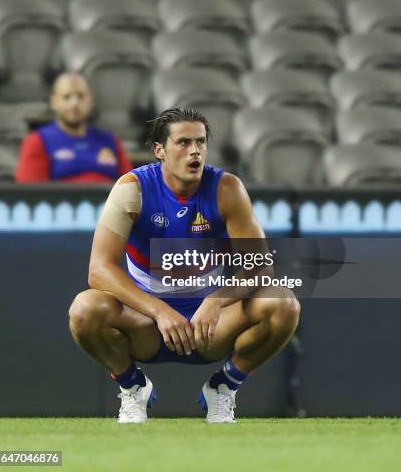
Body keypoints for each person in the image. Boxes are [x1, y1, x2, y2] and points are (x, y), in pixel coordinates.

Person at [68, 107, 300, 423]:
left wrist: (214, 301)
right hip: (147, 326)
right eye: (183, 142)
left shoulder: (226, 189)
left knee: (282, 303)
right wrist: (160, 311)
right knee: (84, 310)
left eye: (201, 142)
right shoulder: (131, 189)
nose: (195, 151)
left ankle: (224, 388)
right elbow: (99, 270)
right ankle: (133, 387)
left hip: (209, 328)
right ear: (159, 150)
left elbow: (260, 267)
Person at [15, 72, 132, 183]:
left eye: (81, 96)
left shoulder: (110, 141)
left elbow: (132, 188)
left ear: (91, 100)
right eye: (66, 97)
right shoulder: (37, 141)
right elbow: (31, 196)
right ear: (53, 102)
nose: (74, 103)